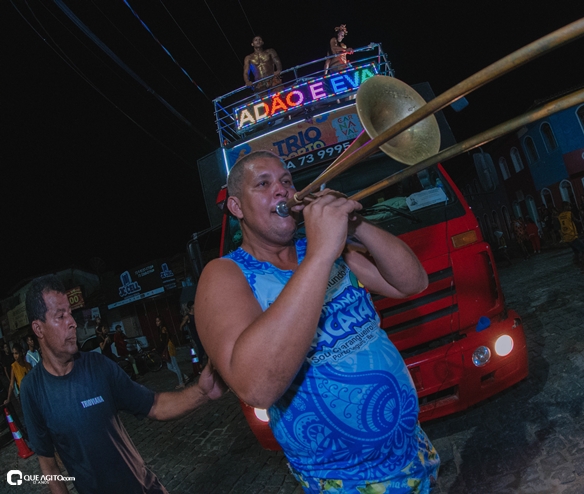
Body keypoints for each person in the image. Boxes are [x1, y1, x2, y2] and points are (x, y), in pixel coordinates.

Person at [195, 151, 439, 491]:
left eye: (286, 180)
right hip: (346, 481)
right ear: (236, 207)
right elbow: (256, 388)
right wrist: (320, 253)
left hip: (412, 454)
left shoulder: (325, 249)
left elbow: (412, 283)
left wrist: (356, 224)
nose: (282, 189)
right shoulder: (225, 274)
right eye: (263, 184)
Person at [20, 275, 226, 494]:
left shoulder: (99, 366)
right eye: (60, 316)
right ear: (38, 329)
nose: (72, 322)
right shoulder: (32, 390)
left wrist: (202, 392)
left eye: (70, 313)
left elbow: (154, 405)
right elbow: (49, 467)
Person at [156, 317, 186, 389]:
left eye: (158, 321)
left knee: (175, 366)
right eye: (156, 321)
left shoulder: (163, 329)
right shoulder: (161, 329)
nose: (156, 323)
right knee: (170, 367)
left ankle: (181, 383)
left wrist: (158, 349)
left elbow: (164, 341)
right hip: (167, 348)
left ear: (161, 321)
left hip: (169, 348)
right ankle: (184, 376)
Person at [558, 202, 584, 272]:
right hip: (572, 236)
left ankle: (577, 263)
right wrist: (581, 221)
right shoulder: (569, 213)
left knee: (576, 251)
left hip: (566, 237)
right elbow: (575, 220)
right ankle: (582, 265)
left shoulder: (560, 215)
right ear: (566, 207)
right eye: (569, 206)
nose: (570, 207)